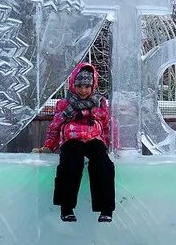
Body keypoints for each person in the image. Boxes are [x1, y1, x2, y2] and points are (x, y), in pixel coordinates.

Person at [32, 63, 115, 223]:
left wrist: (108, 144)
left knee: (103, 164)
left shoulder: (100, 103)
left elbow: (106, 125)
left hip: (94, 140)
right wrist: (49, 145)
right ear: (72, 85)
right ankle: (66, 207)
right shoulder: (64, 104)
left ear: (93, 85)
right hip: (72, 140)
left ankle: (106, 209)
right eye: (79, 86)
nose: (83, 90)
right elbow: (55, 127)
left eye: (87, 86)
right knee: (70, 163)